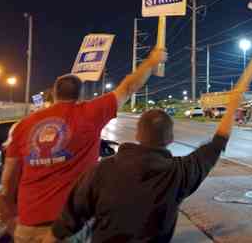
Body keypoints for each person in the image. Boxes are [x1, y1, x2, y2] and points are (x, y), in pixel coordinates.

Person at [0, 48, 167, 243]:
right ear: (80, 94)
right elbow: (128, 87)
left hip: (26, 224)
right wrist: (152, 62)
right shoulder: (89, 114)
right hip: (67, 226)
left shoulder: (24, 125)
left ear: (53, 93)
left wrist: (11, 215)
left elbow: (8, 177)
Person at [43, 91, 241, 243]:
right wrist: (232, 106)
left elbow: (68, 220)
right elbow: (214, 147)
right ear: (170, 139)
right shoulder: (178, 173)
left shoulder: (102, 170)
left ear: (137, 136)